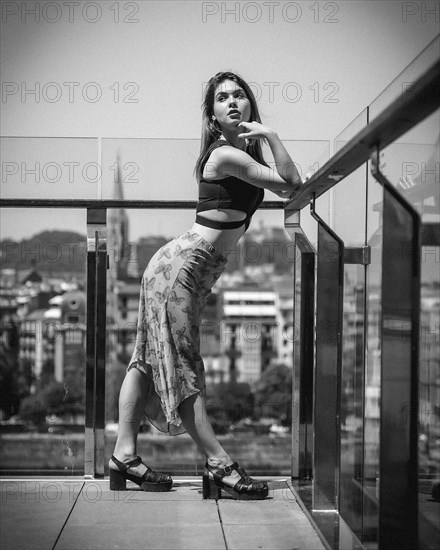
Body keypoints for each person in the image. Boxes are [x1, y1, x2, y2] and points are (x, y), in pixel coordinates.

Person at [109, 71, 302, 499]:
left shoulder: (237, 154)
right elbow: (293, 182)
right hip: (182, 269)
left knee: (146, 359)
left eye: (239, 96)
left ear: (249, 105)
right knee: (183, 364)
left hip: (184, 272)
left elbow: (287, 184)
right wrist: (271, 135)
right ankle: (219, 463)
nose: (232, 102)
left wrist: (264, 135)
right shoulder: (225, 156)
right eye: (222, 98)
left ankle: (124, 455)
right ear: (213, 116)